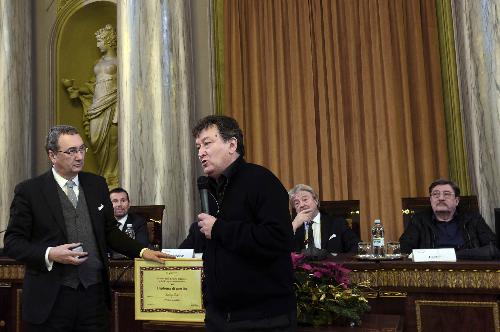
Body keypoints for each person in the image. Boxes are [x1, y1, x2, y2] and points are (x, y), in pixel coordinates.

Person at [3, 125, 171, 331]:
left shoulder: (97, 185)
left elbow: (110, 231)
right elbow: (13, 243)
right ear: (52, 155)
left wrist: (143, 251)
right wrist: (50, 254)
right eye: (71, 151)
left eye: (82, 149)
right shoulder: (30, 191)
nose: (79, 156)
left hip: (94, 295)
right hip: (51, 298)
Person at [193, 115, 296, 331]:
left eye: (207, 143)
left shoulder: (260, 180)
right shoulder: (210, 191)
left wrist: (220, 229)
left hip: (262, 319)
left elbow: (279, 238)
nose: (201, 152)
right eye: (198, 146)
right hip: (219, 318)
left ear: (232, 144)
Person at [62, 24, 119, 188]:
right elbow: (93, 85)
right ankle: (103, 171)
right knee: (95, 139)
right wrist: (77, 89)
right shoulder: (98, 62)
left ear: (108, 41)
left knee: (113, 138)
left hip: (112, 101)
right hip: (97, 103)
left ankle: (111, 175)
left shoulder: (121, 61)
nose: (97, 44)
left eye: (100, 40)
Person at [399, 179, 496, 254]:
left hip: (467, 269)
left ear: (456, 201)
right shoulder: (419, 220)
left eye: (447, 194)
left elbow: (492, 247)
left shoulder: (473, 218)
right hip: (431, 271)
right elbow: (404, 249)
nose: (441, 198)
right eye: (436, 194)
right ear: (431, 200)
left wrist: (460, 255)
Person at [289, 184, 359, 253]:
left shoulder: (338, 223)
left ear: (316, 201)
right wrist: (293, 226)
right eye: (297, 203)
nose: (302, 205)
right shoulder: (293, 228)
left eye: (305, 199)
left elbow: (356, 247)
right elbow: (282, 253)